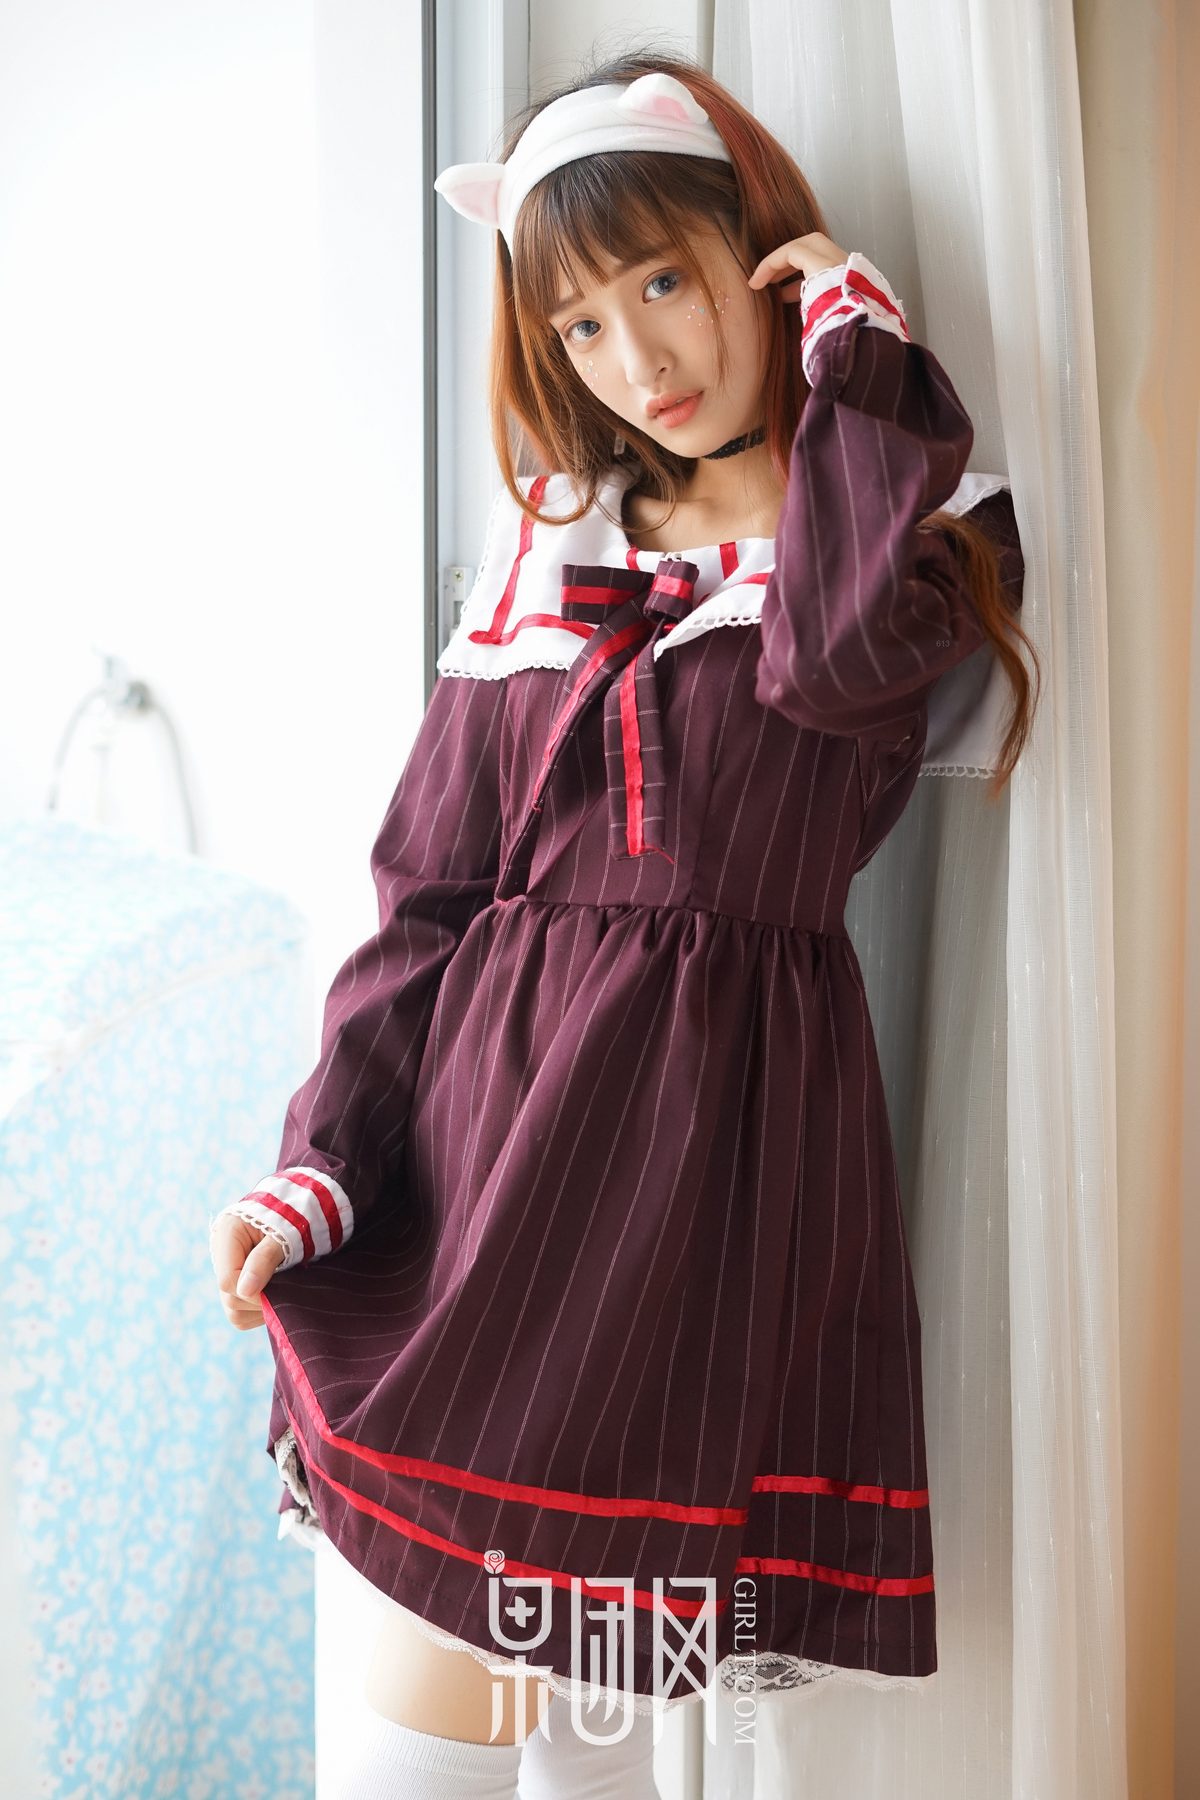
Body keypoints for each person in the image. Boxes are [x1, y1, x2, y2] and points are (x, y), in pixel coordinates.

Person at [209, 46, 1038, 1800]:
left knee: (610, 1731)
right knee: (437, 1729)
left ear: (763, 254)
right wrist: (324, 1159)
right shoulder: (558, 543)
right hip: (487, 1158)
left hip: (703, 1174)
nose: (637, 363)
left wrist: (860, 378)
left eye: (662, 282)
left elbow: (830, 668)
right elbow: (430, 888)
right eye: (581, 324)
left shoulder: (906, 530)